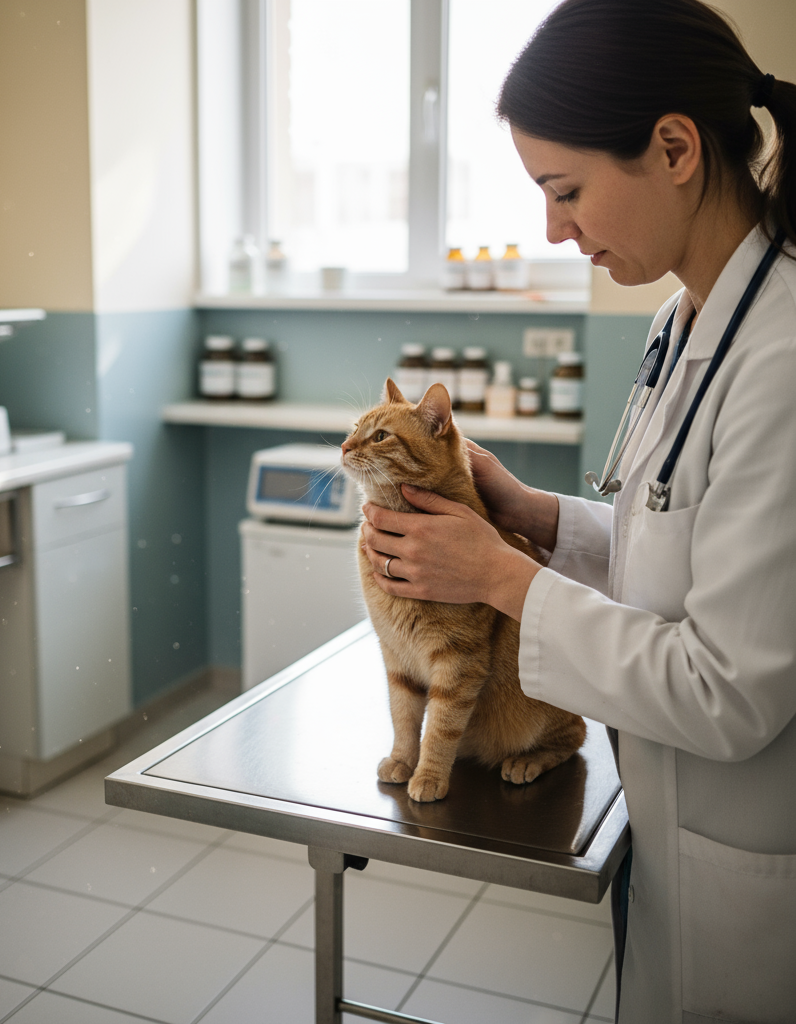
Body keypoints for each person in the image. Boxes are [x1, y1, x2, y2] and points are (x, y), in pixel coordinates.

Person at [359, 1, 796, 1020]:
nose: (554, 229)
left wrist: (499, 575)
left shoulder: (781, 358)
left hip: (753, 866)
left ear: (674, 146)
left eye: (566, 191)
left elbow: (726, 689)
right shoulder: (681, 320)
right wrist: (529, 514)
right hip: (673, 827)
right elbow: (674, 543)